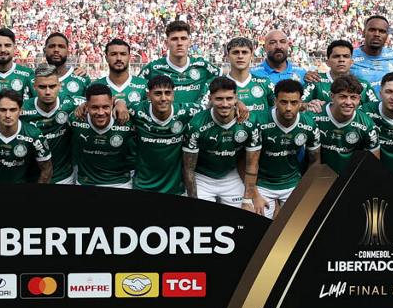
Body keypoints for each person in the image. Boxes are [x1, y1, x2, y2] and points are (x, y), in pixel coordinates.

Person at [183, 76, 263, 210]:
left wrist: (247, 201)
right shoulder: (196, 125)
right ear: (210, 99)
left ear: (236, 99)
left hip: (230, 176)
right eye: (219, 99)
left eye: (229, 99)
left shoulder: (250, 123)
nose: (225, 104)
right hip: (203, 178)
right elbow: (188, 169)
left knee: (247, 216)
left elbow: (252, 164)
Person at [128, 75, 203, 196]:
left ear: (173, 95)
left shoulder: (186, 111)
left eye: (167, 93)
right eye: (158, 93)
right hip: (143, 185)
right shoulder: (137, 110)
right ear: (149, 96)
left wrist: (239, 104)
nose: (163, 98)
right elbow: (110, 105)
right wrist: (118, 101)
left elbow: (213, 107)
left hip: (175, 188)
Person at [253, 79, 316, 217]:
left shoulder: (309, 124)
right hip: (262, 184)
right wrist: (254, 193)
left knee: (296, 230)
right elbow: (248, 162)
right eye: (283, 102)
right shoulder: (259, 122)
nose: (288, 108)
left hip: (292, 183)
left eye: (294, 102)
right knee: (258, 229)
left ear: (300, 103)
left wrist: (306, 190)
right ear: (275, 101)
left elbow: (314, 161)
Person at [0, 89, 51, 184]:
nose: (7, 115)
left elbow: (47, 170)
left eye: (13, 110)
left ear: (20, 111)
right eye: (3, 110)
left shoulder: (33, 134)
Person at [306, 74, 379, 176]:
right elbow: (311, 160)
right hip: (319, 179)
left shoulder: (367, 125)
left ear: (359, 99)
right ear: (332, 97)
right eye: (343, 97)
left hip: (350, 180)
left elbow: (372, 164)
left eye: (353, 97)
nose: (348, 102)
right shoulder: (313, 117)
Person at [68, 83, 136, 187]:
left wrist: (120, 101)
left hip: (120, 182)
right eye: (94, 107)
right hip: (86, 181)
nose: (100, 112)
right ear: (86, 106)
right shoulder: (76, 118)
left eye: (105, 107)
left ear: (112, 105)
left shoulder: (126, 119)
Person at [22, 64, 80, 184]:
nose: (48, 92)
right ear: (34, 87)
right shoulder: (22, 109)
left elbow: (101, 101)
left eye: (52, 86)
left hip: (64, 178)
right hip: (31, 178)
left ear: (59, 85)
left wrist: (118, 101)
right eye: (42, 87)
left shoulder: (70, 103)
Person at [141, 20, 221, 107]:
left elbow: (229, 74)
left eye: (183, 38)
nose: (179, 43)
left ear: (189, 42)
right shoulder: (153, 68)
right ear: (166, 43)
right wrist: (122, 102)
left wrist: (238, 102)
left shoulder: (202, 66)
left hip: (196, 119)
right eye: (174, 39)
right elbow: (134, 89)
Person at [306, 39, 378, 111]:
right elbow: (297, 103)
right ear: (328, 62)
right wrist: (307, 105)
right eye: (336, 56)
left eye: (346, 56)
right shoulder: (315, 79)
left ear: (351, 62)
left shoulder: (364, 85)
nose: (341, 60)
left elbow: (377, 109)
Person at [224, 37, 275, 117]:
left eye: (244, 52)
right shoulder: (215, 85)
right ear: (228, 56)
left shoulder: (266, 83)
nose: (240, 56)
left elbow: (280, 109)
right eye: (235, 52)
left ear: (251, 56)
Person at [93, 38, 148, 106]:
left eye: (123, 54)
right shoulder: (94, 86)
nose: (119, 58)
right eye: (113, 54)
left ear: (129, 57)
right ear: (106, 58)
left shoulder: (145, 85)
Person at [351, 15, 393, 84]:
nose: (377, 34)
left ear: (387, 35)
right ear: (364, 33)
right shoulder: (350, 57)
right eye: (372, 30)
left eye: (382, 31)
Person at [43, 32, 89, 98]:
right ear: (45, 50)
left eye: (61, 46)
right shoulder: (33, 79)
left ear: (68, 51)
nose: (56, 50)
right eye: (52, 46)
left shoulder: (82, 78)